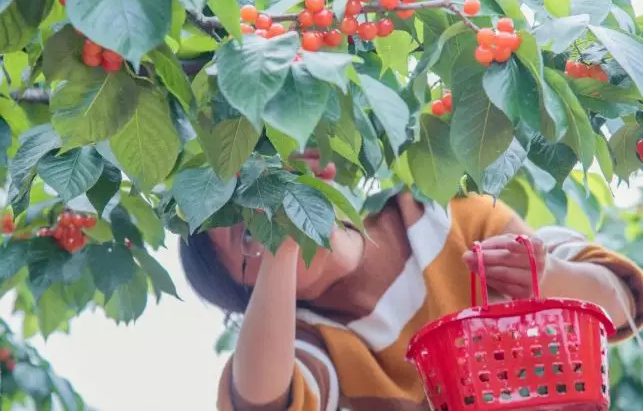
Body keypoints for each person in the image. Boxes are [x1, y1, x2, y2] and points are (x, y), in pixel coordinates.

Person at [179, 153, 643, 411]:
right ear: (256, 297)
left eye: (267, 195)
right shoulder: (316, 339)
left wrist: (549, 275)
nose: (269, 215)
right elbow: (261, 402)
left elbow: (621, 304)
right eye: (246, 238)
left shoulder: (439, 214)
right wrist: (283, 239)